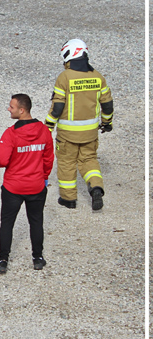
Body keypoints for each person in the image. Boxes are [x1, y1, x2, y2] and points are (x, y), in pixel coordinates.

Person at [45, 39, 113, 211]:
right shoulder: (97, 76)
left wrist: (48, 126)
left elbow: (58, 106)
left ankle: (69, 199)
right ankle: (96, 187)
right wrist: (107, 123)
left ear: (69, 55)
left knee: (67, 163)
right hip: (90, 133)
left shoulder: (65, 77)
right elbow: (107, 104)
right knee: (89, 160)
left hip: (68, 135)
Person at [0, 94, 54, 274]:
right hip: (36, 185)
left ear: (22, 110)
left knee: (7, 223)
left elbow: (1, 160)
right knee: (36, 222)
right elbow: (48, 159)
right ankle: (38, 257)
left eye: (11, 107)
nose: (8, 109)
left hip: (13, 187)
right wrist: (43, 178)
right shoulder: (44, 131)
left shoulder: (11, 133)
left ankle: (3, 259)